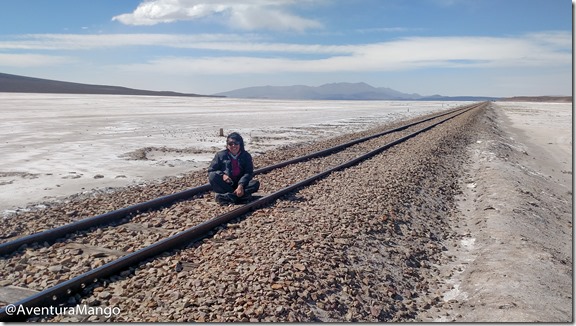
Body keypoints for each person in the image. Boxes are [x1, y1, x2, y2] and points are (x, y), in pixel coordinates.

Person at [208, 132, 260, 205]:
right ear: (227, 145)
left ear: (240, 144)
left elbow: (248, 173)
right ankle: (240, 197)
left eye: (236, 143)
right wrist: (222, 175)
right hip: (227, 184)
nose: (233, 146)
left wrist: (241, 185)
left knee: (255, 183)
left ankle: (228, 197)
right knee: (212, 176)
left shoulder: (246, 156)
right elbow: (211, 170)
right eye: (230, 144)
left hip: (241, 184)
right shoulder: (220, 155)